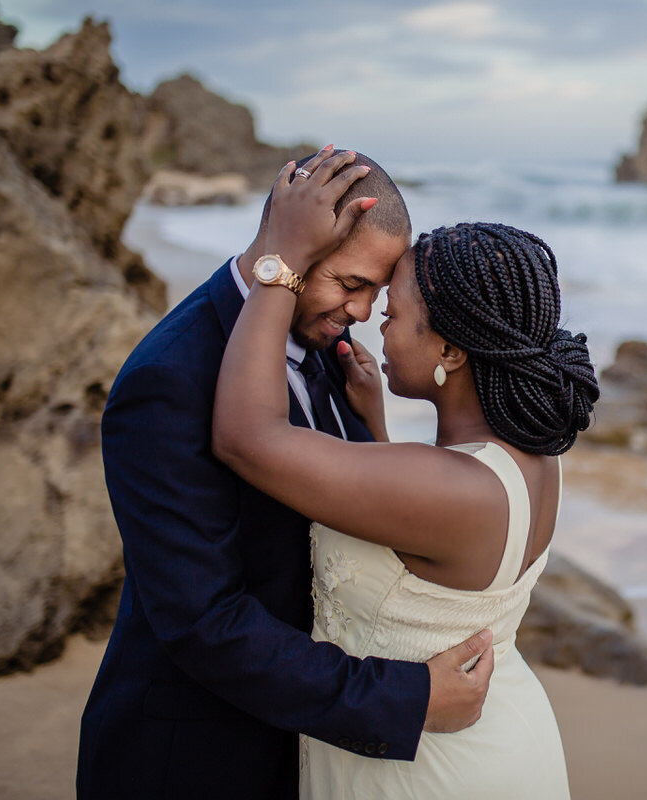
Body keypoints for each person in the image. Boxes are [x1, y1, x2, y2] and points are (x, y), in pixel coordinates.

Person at [78, 147, 495, 800]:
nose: (362, 313)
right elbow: (203, 622)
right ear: (291, 247)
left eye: (377, 293)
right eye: (351, 284)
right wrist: (402, 700)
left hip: (301, 745)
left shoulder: (332, 350)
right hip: (192, 758)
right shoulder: (169, 377)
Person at [212, 147, 599, 798]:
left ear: (449, 347)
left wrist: (283, 259)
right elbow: (419, 550)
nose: (372, 325)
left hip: (431, 770)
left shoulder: (447, 489)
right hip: (502, 734)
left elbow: (247, 438)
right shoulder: (529, 453)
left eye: (391, 314)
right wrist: (378, 431)